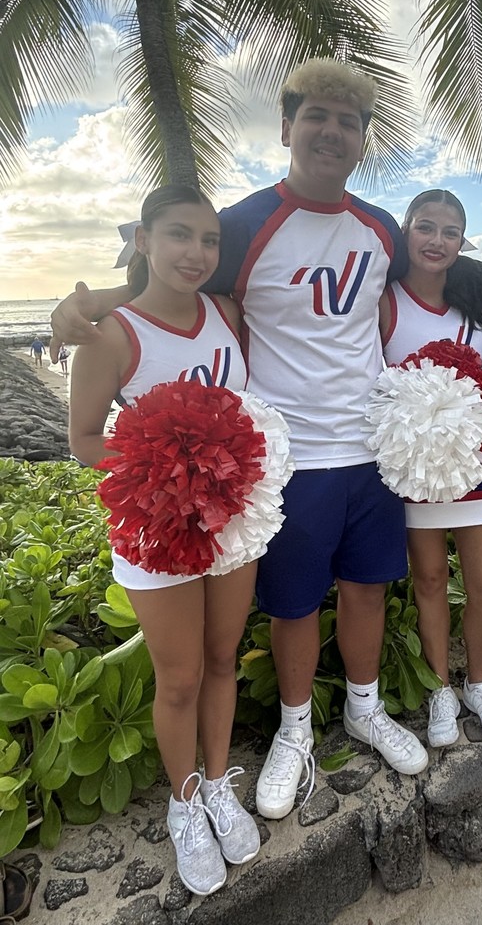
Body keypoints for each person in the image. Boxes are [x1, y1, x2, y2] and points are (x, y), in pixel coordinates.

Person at [51, 59, 428, 823]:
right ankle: (294, 733)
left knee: (365, 589)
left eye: (348, 121)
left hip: (370, 448)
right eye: (315, 116)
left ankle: (363, 707)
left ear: (363, 140)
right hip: (283, 460)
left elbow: (422, 292)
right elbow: (176, 275)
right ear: (286, 128)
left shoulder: (381, 227)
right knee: (291, 605)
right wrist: (87, 303)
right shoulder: (250, 221)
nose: (332, 131)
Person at [68, 185, 261, 897]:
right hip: (158, 526)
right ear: (143, 240)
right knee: (177, 677)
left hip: (232, 519)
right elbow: (84, 440)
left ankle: (217, 785)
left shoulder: (228, 314)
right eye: (178, 235)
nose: (196, 253)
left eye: (208, 241)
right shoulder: (111, 333)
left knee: (221, 659)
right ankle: (184, 805)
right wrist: (164, 463)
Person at [379, 190, 482, 747]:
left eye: (450, 231)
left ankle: (478, 685)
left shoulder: (478, 297)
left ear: (463, 241)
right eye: (426, 227)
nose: (437, 241)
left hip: (476, 465)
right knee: (430, 581)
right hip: (414, 467)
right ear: (406, 232)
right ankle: (440, 689)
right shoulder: (383, 299)